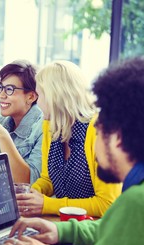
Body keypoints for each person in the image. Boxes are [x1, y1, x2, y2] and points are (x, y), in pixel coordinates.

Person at [0, 57, 144, 245]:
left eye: (100, 129)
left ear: (116, 137)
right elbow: (112, 228)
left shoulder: (139, 205)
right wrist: (63, 231)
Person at [16, 60, 121, 218]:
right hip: (65, 226)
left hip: (96, 231)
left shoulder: (99, 130)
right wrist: (30, 195)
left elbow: (107, 204)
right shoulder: (50, 124)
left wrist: (47, 205)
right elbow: (48, 179)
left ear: (55, 97)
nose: (37, 103)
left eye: (40, 95)